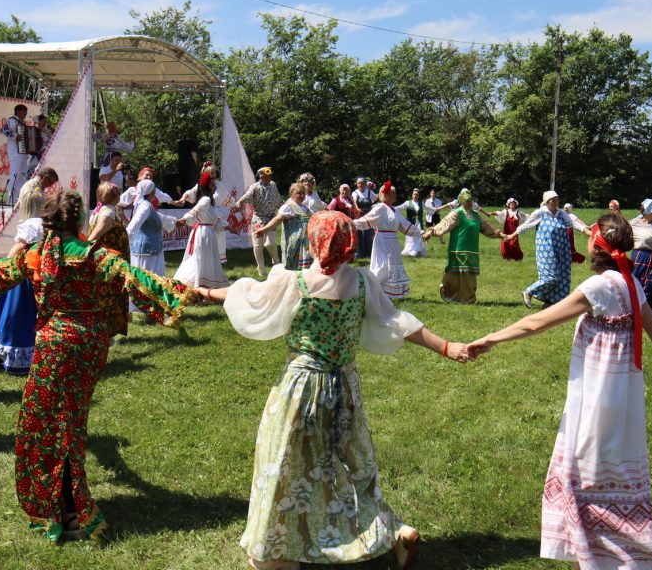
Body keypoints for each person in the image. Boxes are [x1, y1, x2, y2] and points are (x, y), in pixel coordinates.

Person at [201, 211, 469, 568]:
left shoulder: (293, 281)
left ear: (313, 241)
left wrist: (202, 291)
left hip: (301, 389)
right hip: (345, 387)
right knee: (353, 466)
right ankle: (394, 532)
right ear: (348, 242)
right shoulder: (362, 282)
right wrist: (446, 346)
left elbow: (246, 295)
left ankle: (279, 555)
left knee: (283, 464)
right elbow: (398, 322)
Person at [466, 213, 652, 569]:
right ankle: (602, 555)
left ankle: (651, 553)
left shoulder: (599, 287)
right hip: (624, 394)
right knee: (607, 473)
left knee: (584, 477)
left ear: (596, 246)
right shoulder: (630, 282)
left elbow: (536, 322)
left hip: (597, 395)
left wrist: (488, 339)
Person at [0, 190, 200, 542]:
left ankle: (68, 509)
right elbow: (133, 277)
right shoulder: (94, 255)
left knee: (49, 423)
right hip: (90, 344)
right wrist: (177, 294)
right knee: (69, 420)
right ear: (79, 221)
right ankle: (67, 503)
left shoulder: (35, 255)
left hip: (55, 347)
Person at [0, 183, 46, 374]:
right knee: (33, 314)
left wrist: (4, 263)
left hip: (20, 278)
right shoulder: (45, 225)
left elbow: (19, 249)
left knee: (13, 314)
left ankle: (8, 349)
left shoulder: (29, 225)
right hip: (37, 274)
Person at [509, 191, 590, 309]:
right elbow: (526, 225)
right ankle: (529, 291)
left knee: (563, 277)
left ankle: (550, 303)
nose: (556, 201)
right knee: (551, 277)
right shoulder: (540, 213)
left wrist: (587, 231)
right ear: (547, 201)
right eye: (554, 199)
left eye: (557, 199)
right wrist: (512, 235)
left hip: (563, 250)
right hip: (546, 250)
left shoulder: (561, 213)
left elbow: (572, 223)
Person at [423, 189, 502, 304]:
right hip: (458, 249)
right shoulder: (457, 213)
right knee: (454, 276)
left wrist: (500, 235)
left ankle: (468, 299)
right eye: (467, 201)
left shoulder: (475, 215)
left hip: (472, 251)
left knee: (469, 277)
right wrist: (431, 232)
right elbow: (444, 224)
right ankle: (450, 294)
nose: (470, 203)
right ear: (461, 202)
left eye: (471, 201)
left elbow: (486, 227)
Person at [353, 181, 421, 299]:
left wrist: (422, 233)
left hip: (393, 241)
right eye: (394, 194)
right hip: (382, 241)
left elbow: (405, 225)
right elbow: (366, 220)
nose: (396, 196)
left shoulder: (393, 210)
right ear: (387, 195)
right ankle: (373, 291)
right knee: (383, 266)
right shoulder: (380, 208)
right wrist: (350, 223)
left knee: (392, 266)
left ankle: (390, 293)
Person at [87, 181, 132, 337]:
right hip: (110, 264)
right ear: (115, 196)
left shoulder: (102, 210)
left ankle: (105, 333)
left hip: (111, 262)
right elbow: (94, 236)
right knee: (108, 297)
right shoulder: (108, 213)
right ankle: (105, 333)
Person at [174, 169, 228, 289]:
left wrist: (229, 227)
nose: (215, 187)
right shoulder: (206, 200)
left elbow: (216, 219)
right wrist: (184, 219)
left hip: (207, 232)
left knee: (206, 257)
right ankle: (200, 283)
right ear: (208, 186)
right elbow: (195, 211)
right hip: (203, 232)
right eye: (213, 185)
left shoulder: (210, 201)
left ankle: (205, 282)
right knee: (202, 257)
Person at [126, 179, 177, 288]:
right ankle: (147, 302)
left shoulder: (144, 205)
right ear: (151, 192)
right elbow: (133, 225)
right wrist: (124, 240)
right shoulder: (145, 206)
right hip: (147, 253)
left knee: (146, 282)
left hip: (148, 251)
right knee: (147, 282)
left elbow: (158, 217)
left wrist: (175, 221)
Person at [255, 181, 314, 271]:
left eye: (303, 193)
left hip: (305, 243)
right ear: (292, 194)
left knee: (305, 270)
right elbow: (277, 220)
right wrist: (264, 230)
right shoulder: (288, 207)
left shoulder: (306, 208)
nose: (302, 195)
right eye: (299, 193)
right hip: (293, 244)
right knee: (291, 269)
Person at [235, 166, 282, 276]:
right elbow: (246, 197)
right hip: (258, 219)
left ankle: (276, 262)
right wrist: (239, 203)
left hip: (271, 218)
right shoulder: (254, 187)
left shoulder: (273, 185)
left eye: (270, 175)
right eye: (268, 175)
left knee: (270, 244)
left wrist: (284, 209)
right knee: (257, 246)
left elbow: (277, 200)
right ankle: (261, 270)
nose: (270, 177)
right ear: (261, 176)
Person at [180, 163, 228, 264]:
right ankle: (204, 266)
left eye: (214, 173)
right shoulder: (201, 189)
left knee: (219, 239)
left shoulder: (219, 185)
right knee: (203, 247)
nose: (213, 175)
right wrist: (183, 199)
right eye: (211, 173)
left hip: (216, 215)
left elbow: (228, 197)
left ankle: (214, 264)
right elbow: (191, 198)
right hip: (203, 220)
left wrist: (236, 205)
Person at [1, 103, 30, 203]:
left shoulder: (23, 123)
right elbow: (3, 130)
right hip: (15, 153)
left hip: (22, 153)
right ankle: (10, 199)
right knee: (15, 175)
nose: (26, 114)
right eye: (24, 112)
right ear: (18, 111)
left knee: (22, 176)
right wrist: (15, 136)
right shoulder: (12, 120)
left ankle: (19, 199)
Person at [351, 177, 377, 259]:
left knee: (369, 233)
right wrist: (357, 208)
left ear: (365, 184)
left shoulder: (369, 192)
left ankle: (369, 253)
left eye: (362, 183)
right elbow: (354, 201)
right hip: (359, 215)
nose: (361, 185)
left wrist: (372, 206)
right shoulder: (355, 192)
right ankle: (360, 253)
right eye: (359, 183)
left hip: (368, 215)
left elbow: (378, 199)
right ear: (357, 184)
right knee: (360, 234)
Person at [398, 188, 428, 257]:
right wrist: (390, 208)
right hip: (410, 222)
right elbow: (399, 208)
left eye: (417, 194)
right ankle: (410, 250)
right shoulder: (408, 203)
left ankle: (416, 251)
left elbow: (428, 209)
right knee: (410, 236)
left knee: (419, 236)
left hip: (419, 223)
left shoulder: (421, 203)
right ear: (412, 195)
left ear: (418, 196)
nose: (415, 196)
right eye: (414, 194)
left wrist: (437, 209)